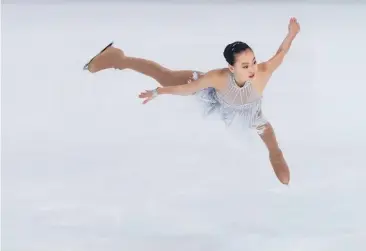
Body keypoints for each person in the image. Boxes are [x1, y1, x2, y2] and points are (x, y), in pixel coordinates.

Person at [83, 17, 300, 185]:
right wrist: (160, 91)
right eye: (245, 66)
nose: (252, 68)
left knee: (271, 143)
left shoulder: (262, 72)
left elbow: (281, 52)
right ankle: (117, 59)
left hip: (252, 113)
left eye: (253, 62)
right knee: (165, 75)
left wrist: (291, 34)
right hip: (213, 98)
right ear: (231, 68)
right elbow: (188, 89)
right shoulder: (218, 77)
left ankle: (278, 160)